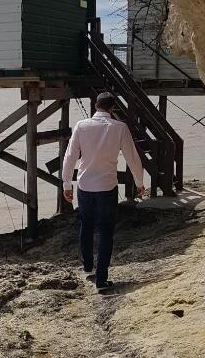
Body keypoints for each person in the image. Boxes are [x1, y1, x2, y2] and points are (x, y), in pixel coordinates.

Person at [61, 92, 145, 292]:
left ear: (96, 105)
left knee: (86, 226)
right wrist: (139, 183)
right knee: (106, 232)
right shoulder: (120, 128)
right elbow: (132, 157)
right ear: (112, 108)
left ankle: (87, 265)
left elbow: (70, 157)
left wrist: (66, 184)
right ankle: (101, 278)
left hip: (85, 186)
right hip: (107, 187)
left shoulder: (81, 126)